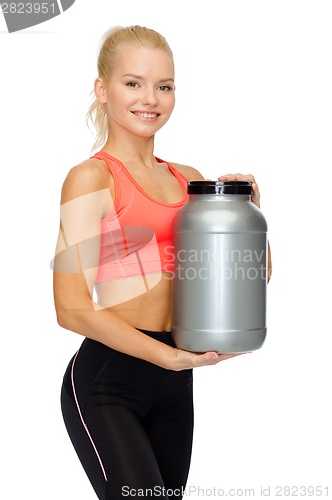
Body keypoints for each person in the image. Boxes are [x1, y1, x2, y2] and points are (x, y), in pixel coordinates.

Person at [53, 25, 272, 500]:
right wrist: (169, 357)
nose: (150, 98)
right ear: (102, 89)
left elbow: (251, 280)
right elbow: (70, 308)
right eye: (133, 83)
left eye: (164, 86)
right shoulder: (91, 178)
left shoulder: (190, 181)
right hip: (108, 381)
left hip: (174, 384)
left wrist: (249, 210)